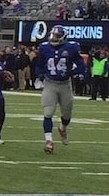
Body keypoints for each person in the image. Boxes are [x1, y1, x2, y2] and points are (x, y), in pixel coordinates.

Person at [35, 25, 83, 153]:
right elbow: (39, 65)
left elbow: (81, 65)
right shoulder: (44, 48)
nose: (53, 38)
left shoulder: (71, 48)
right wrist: (40, 75)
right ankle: (49, 140)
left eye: (56, 36)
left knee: (67, 114)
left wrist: (73, 72)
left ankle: (62, 128)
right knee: (48, 113)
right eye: (53, 35)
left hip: (65, 84)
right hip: (50, 83)